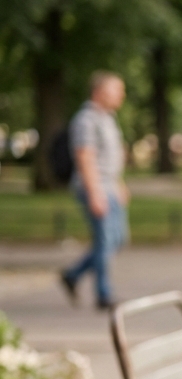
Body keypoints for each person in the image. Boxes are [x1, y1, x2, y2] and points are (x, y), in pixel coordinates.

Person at [60, 71, 130, 310]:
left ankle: (72, 274)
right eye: (116, 90)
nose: (122, 95)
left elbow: (109, 157)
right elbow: (85, 157)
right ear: (99, 92)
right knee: (104, 240)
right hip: (96, 186)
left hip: (109, 185)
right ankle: (103, 294)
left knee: (117, 239)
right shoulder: (86, 119)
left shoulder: (108, 118)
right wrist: (95, 192)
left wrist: (118, 183)